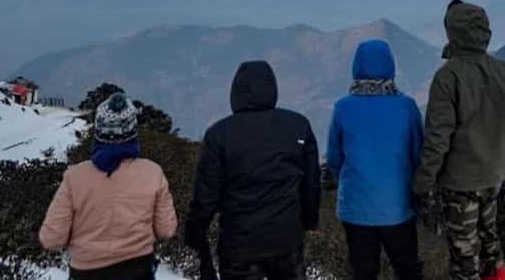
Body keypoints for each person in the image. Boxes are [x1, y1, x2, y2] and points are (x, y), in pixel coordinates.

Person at [413, 0, 505, 280]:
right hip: (493, 177)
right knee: (491, 244)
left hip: (459, 185)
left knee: (465, 259)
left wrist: (422, 185)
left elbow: (438, 139)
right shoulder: (504, 71)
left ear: (453, 32)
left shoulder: (448, 76)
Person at [185, 60, 321, 280]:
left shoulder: (219, 134)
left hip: (239, 244)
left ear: (235, 92)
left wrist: (195, 233)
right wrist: (308, 220)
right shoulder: (298, 125)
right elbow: (311, 184)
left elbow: (205, 196)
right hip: (286, 238)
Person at [40, 93, 178, 280]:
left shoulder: (75, 178)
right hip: (138, 270)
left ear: (98, 131)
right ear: (133, 132)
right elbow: (166, 230)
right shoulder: (152, 173)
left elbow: (51, 239)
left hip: (86, 273)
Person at [327, 39, 425, 280]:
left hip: (355, 209)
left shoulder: (343, 108)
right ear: (390, 66)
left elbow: (334, 158)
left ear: (356, 67)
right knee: (407, 269)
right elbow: (419, 154)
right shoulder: (407, 107)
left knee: (364, 272)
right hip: (398, 207)